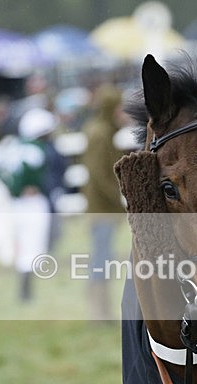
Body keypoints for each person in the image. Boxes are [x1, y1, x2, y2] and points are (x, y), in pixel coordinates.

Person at [0, 108, 65, 302]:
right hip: (33, 203)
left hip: (20, 204)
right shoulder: (36, 150)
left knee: (29, 246)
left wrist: (12, 188)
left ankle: (29, 288)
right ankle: (27, 291)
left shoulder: (13, 146)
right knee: (33, 247)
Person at [80, 83, 127, 321]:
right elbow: (100, 174)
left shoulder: (104, 132)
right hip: (102, 210)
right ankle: (98, 313)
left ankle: (102, 312)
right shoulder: (100, 134)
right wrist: (121, 199)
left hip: (103, 209)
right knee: (101, 260)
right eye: (120, 108)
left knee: (103, 259)